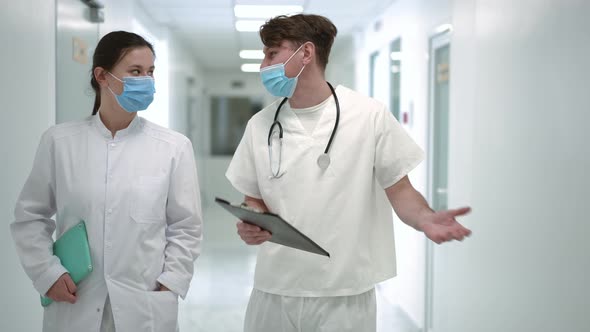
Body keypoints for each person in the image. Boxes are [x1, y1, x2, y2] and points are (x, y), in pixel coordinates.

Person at [225, 14, 472, 332]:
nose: (263, 64)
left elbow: (400, 189)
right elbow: (253, 198)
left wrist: (425, 217)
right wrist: (251, 221)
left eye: (272, 53)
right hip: (275, 289)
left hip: (345, 293)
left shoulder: (369, 116)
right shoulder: (260, 125)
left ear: (306, 53)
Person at [10, 31, 202, 332]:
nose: (147, 81)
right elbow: (29, 216)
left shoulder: (173, 147)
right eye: (136, 72)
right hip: (75, 300)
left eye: (151, 72)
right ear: (102, 76)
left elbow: (186, 226)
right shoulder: (59, 142)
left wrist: (170, 283)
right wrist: (47, 274)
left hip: (145, 303)